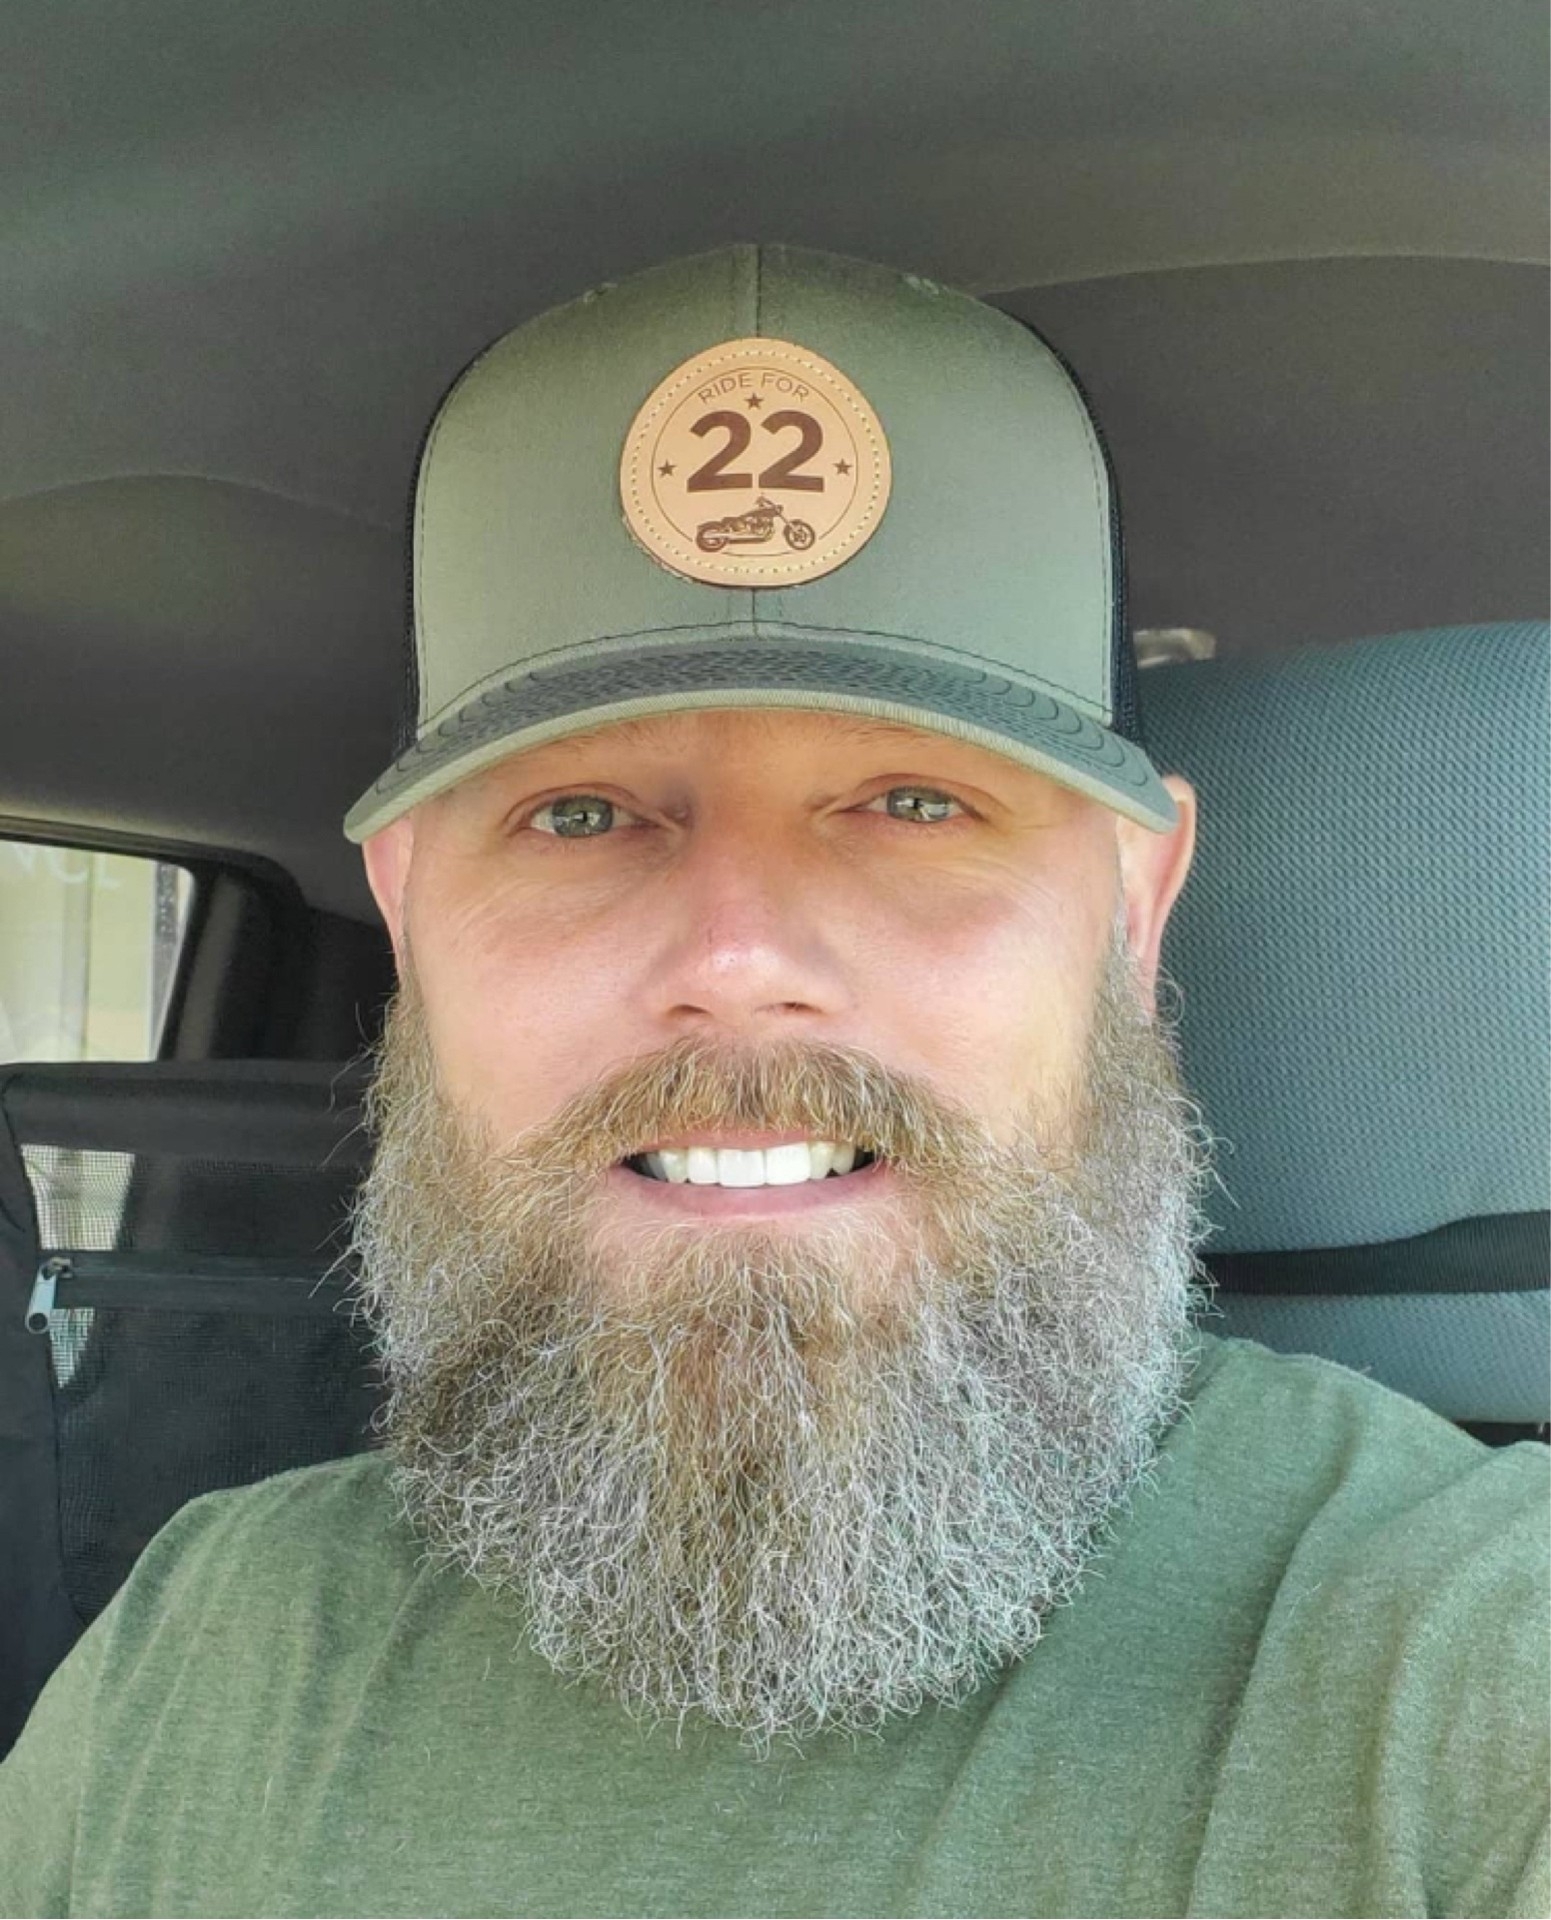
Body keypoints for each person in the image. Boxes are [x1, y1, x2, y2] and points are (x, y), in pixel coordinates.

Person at [1, 244, 1545, 1919]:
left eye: (916, 804)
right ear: (410, 916)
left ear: (1133, 911)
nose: (737, 957)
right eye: (580, 815)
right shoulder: (196, 1656)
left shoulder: (1472, 1674)